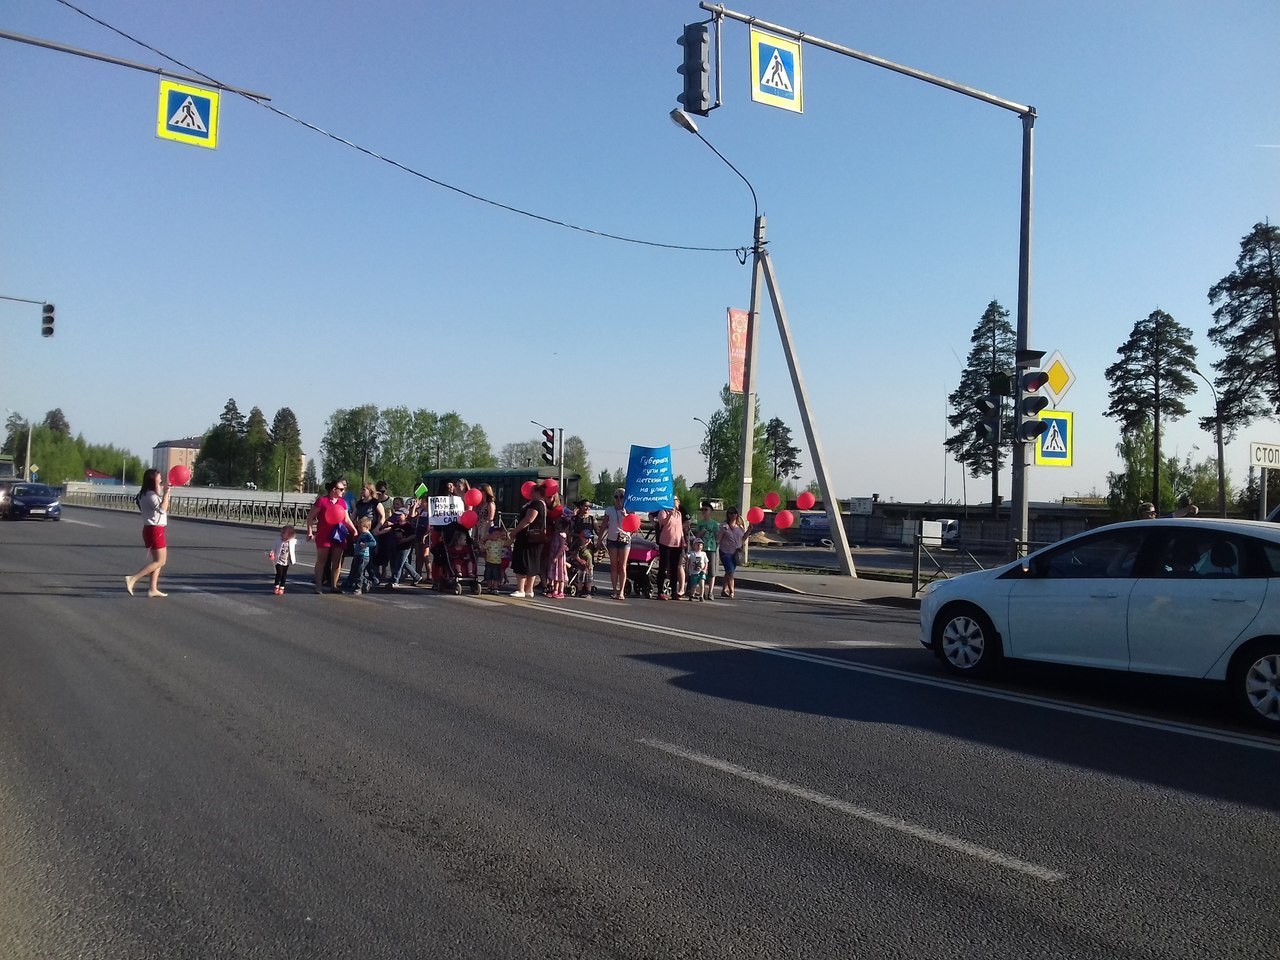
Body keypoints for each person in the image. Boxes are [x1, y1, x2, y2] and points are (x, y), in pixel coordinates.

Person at [125, 468, 172, 598]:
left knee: (156, 560)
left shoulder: (144, 494)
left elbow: (158, 498)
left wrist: (164, 491)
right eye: (159, 477)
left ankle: (153, 588)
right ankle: (133, 578)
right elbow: (163, 509)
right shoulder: (150, 495)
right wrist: (167, 494)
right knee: (160, 561)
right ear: (152, 479)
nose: (161, 478)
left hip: (151, 529)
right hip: (155, 529)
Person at [306, 477, 358, 594]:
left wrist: (354, 529)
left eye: (344, 489)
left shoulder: (342, 502)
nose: (343, 491)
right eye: (341, 489)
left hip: (339, 534)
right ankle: (318, 586)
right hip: (323, 534)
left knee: (337, 561)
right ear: (334, 489)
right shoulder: (322, 501)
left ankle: (334, 586)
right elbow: (310, 517)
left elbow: (346, 518)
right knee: (322, 561)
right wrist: (309, 531)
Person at [509, 481, 549, 598]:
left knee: (523, 561)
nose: (529, 493)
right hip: (536, 538)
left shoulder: (535, 504)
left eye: (532, 492)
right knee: (533, 563)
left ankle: (521, 589)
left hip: (527, 538)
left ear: (537, 492)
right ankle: (529, 589)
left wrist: (515, 531)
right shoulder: (543, 504)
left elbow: (529, 519)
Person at [598, 488, 632, 600]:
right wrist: (599, 539)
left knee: (622, 566)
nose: (618, 499)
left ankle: (621, 591)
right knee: (614, 565)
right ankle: (614, 590)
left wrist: (626, 516)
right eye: (616, 497)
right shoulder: (609, 510)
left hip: (624, 539)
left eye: (621, 496)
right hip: (612, 539)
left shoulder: (629, 510)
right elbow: (603, 524)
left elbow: (634, 525)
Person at [655, 498, 685, 600]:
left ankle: (674, 592)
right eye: (672, 500)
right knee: (663, 568)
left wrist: (683, 541)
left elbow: (680, 528)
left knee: (674, 568)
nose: (674, 502)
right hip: (666, 543)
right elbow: (663, 523)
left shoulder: (679, 514)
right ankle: (660, 591)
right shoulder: (663, 512)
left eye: (676, 500)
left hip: (677, 544)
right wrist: (669, 515)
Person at [690, 501, 721, 600]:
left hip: (711, 548)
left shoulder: (715, 524)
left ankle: (710, 592)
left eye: (706, 509)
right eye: (702, 509)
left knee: (711, 571)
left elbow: (718, 536)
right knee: (699, 569)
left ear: (710, 511)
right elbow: (696, 537)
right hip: (701, 549)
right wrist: (701, 532)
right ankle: (698, 591)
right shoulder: (700, 523)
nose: (703, 511)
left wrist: (717, 541)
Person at [716, 506, 749, 598]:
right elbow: (718, 538)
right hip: (725, 552)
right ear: (728, 515)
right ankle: (732, 591)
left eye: (734, 513)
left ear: (737, 514)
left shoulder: (739, 527)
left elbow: (743, 539)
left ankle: (724, 590)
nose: (732, 515)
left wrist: (749, 530)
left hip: (736, 553)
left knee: (728, 572)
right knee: (730, 572)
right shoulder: (724, 526)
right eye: (730, 513)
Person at [343, 516, 379, 593]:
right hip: (358, 554)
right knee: (356, 571)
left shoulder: (367, 534)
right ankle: (366, 582)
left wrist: (365, 544)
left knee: (360, 572)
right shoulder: (362, 534)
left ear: (366, 527)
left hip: (363, 556)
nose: (358, 528)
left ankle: (358, 588)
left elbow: (373, 543)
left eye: (360, 527)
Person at [269, 524, 298, 595]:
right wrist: (272, 553)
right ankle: (276, 586)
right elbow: (274, 548)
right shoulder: (278, 541)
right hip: (279, 560)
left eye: (283, 533)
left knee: (284, 575)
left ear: (289, 535)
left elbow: (301, 542)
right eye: (281, 532)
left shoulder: (292, 541)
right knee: (279, 573)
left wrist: (308, 538)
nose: (281, 534)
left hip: (286, 561)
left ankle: (282, 587)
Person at [545, 516, 570, 599]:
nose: (556, 524)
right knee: (555, 574)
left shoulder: (562, 535)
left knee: (560, 575)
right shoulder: (555, 534)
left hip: (559, 557)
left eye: (558, 523)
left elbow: (561, 547)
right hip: (553, 555)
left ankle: (561, 591)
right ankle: (555, 590)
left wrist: (556, 556)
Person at [482, 523, 508, 594]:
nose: (498, 536)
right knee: (488, 576)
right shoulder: (488, 542)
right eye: (496, 534)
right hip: (489, 562)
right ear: (490, 535)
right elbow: (483, 549)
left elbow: (508, 543)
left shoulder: (500, 542)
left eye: (499, 534)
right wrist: (480, 542)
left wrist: (511, 536)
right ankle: (489, 587)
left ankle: (495, 588)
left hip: (497, 563)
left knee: (496, 576)